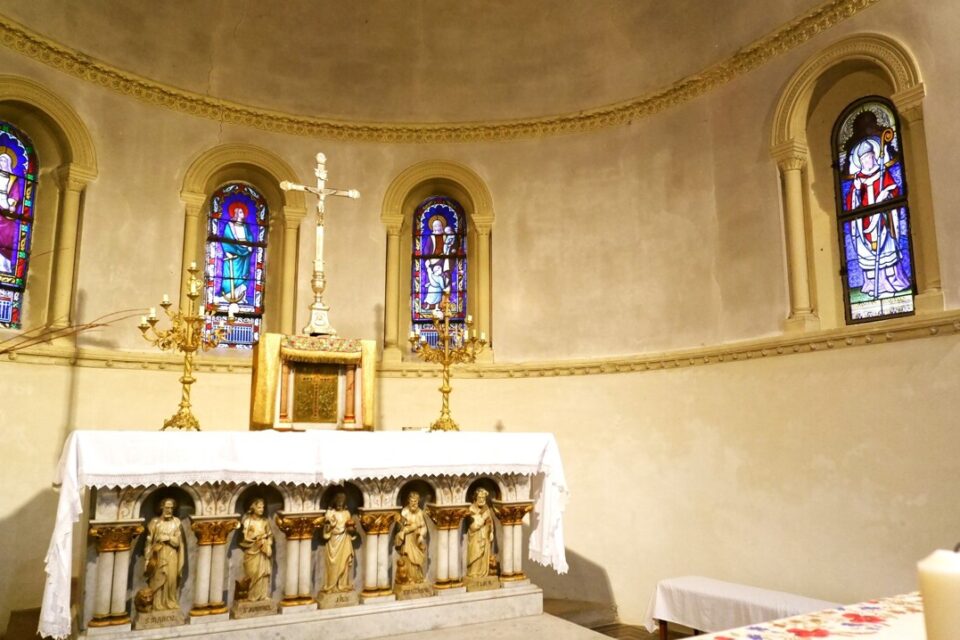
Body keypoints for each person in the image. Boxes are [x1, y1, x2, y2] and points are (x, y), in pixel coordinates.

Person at [845, 137, 911, 298]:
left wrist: (886, 194)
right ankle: (871, 283)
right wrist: (856, 192)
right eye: (865, 159)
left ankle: (892, 280)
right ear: (860, 161)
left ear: (875, 156)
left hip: (883, 220)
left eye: (870, 157)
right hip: (864, 222)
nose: (868, 160)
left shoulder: (883, 174)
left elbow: (895, 191)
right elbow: (850, 203)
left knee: (887, 248)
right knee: (867, 252)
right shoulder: (858, 179)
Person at [143, 498, 185, 611]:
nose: (169, 510)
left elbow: (178, 542)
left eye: (171, 508)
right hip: (158, 555)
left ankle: (170, 602)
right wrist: (147, 559)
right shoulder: (154, 523)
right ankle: (157, 604)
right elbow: (148, 542)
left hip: (172, 555)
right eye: (167, 507)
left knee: (171, 580)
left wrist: (168, 538)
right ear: (161, 507)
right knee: (158, 579)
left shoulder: (176, 522)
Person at [321, 490, 358, 593]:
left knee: (345, 563)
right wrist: (330, 525)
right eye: (338, 501)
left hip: (345, 540)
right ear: (334, 501)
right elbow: (326, 530)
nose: (339, 503)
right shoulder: (330, 513)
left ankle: (343, 584)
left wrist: (352, 529)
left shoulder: (347, 513)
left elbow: (350, 527)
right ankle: (331, 586)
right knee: (333, 563)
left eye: (342, 501)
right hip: (334, 542)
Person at [238, 498, 273, 601]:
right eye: (259, 507)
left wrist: (267, 543)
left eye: (263, 507)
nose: (262, 509)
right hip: (252, 551)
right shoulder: (248, 521)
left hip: (263, 551)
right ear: (253, 508)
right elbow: (242, 539)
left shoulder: (265, 521)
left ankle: (262, 595)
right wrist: (255, 541)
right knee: (253, 574)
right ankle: (251, 596)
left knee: (263, 573)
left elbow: (270, 536)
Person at [218, 203, 252, 304]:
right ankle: (227, 296)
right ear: (236, 213)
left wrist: (249, 245)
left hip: (245, 254)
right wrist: (227, 252)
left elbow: (250, 237)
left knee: (243, 275)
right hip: (233, 253)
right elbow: (226, 240)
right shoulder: (230, 226)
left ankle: (241, 297)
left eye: (243, 212)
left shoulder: (246, 227)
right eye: (241, 212)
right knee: (231, 275)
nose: (243, 214)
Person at [394, 491, 428, 585]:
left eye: (416, 501)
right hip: (408, 541)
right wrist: (408, 528)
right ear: (408, 501)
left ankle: (418, 578)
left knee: (417, 562)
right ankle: (409, 579)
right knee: (408, 559)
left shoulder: (420, 513)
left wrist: (421, 535)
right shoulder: (404, 512)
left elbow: (424, 527)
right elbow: (401, 528)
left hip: (417, 542)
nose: (414, 503)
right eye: (412, 501)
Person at [0, 150, 23, 275]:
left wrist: (12, 204)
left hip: (5, 207)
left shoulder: (13, 179)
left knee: (7, 235)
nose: (1, 163)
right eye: (0, 160)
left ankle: (4, 267)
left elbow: (15, 194)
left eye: (4, 160)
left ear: (8, 163)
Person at [466, 488, 495, 578]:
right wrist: (483, 518)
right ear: (475, 498)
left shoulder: (486, 508)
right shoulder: (471, 510)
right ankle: (474, 573)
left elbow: (490, 522)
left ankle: (483, 573)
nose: (482, 500)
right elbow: (473, 526)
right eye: (480, 497)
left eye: (484, 498)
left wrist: (491, 532)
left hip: (485, 536)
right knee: (476, 555)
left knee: (484, 556)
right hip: (475, 537)